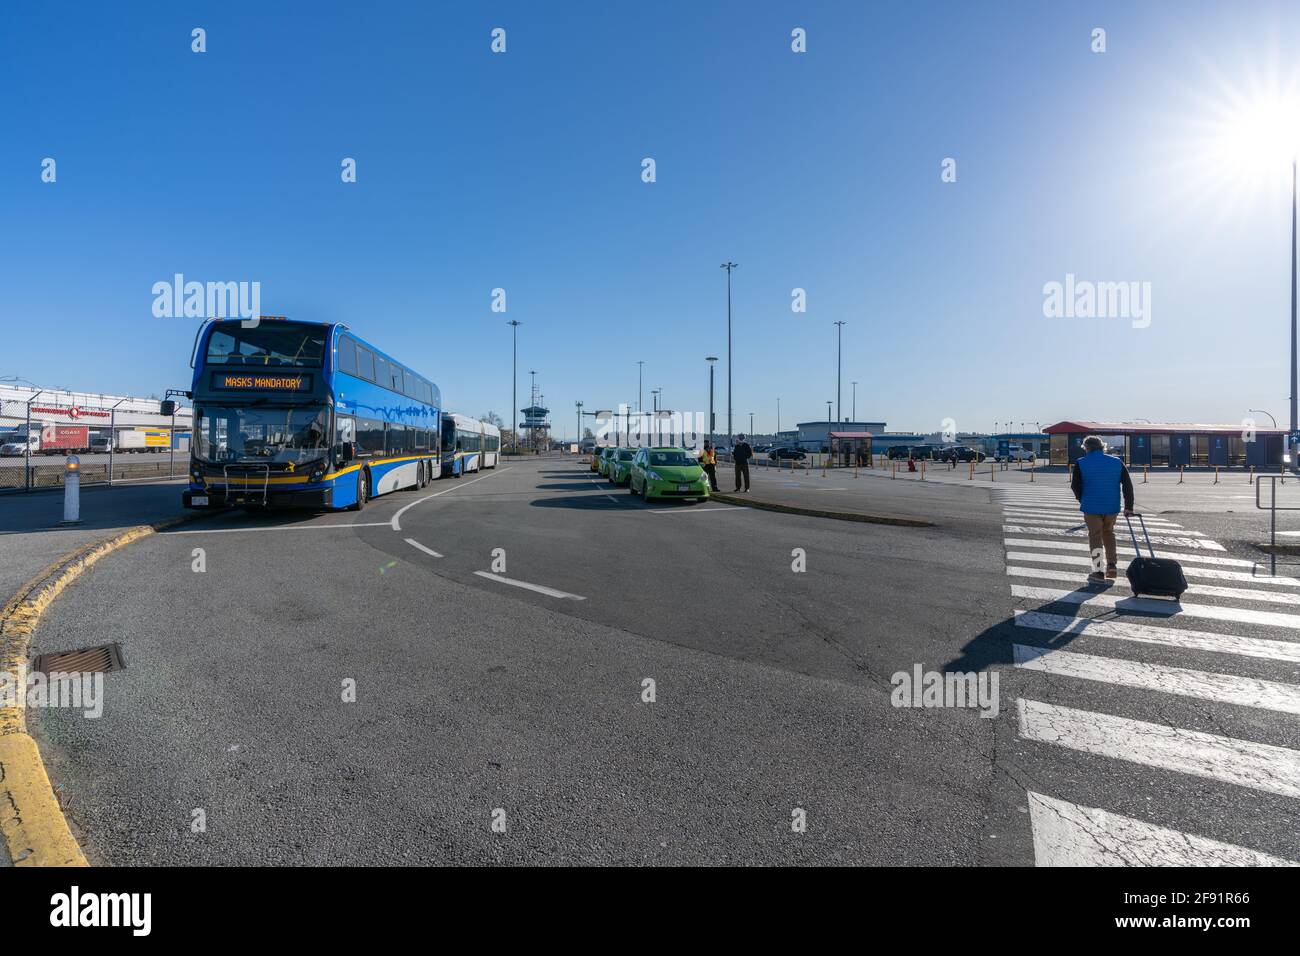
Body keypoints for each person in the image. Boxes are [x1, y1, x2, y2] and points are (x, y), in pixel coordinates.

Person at [1071, 435, 1136, 582]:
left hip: (1091, 506)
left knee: (1095, 536)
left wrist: (1082, 498)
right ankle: (1112, 565)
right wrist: (1129, 506)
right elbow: (1127, 485)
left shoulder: (1081, 463)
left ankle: (1099, 570)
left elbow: (1075, 486)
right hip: (1111, 506)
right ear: (1102, 447)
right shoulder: (1116, 462)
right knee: (1109, 533)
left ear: (1086, 448)